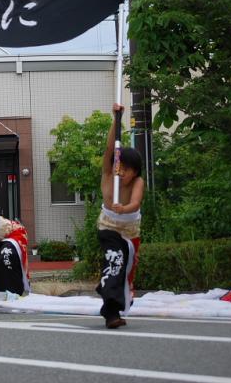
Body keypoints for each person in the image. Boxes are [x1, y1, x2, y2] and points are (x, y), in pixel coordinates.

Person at [96, 103, 144, 329]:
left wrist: (124, 209)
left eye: (128, 169)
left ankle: (111, 294)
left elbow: (135, 203)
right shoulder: (109, 173)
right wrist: (117, 119)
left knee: (126, 269)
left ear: (135, 171)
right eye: (120, 167)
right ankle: (111, 312)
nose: (122, 172)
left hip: (130, 230)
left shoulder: (137, 182)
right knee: (115, 260)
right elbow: (110, 147)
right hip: (108, 227)